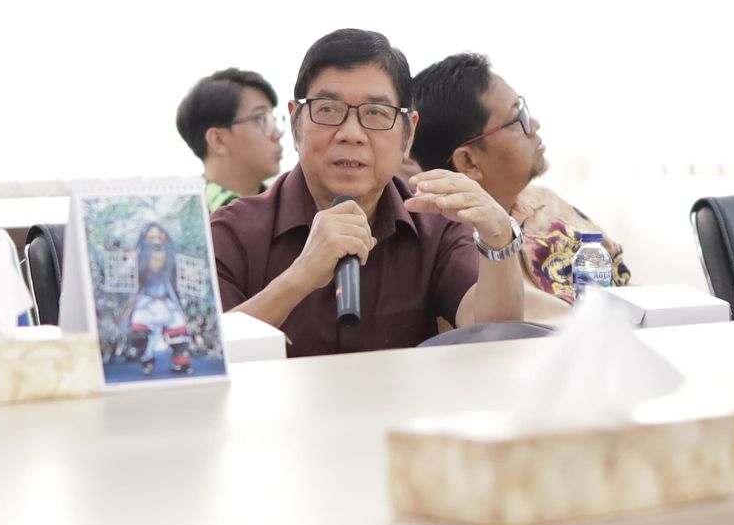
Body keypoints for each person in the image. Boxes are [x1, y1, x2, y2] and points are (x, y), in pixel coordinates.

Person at [210, 28, 524, 355]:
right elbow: (205, 357)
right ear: (295, 123)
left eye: (376, 113)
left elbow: (494, 333)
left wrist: (499, 235)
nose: (351, 133)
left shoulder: (436, 226)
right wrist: (300, 276)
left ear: (408, 134)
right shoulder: (232, 232)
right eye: (328, 109)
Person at [410, 52, 630, 319]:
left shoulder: (545, 202)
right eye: (518, 120)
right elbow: (517, 321)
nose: (534, 125)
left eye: (524, 109)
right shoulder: (447, 246)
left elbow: (628, 288)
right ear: (468, 161)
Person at [174, 68, 285, 211]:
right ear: (218, 140)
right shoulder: (180, 217)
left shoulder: (292, 207)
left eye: (273, 119)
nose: (278, 134)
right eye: (261, 118)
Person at [119, 221, 192, 375]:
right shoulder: (137, 258)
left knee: (178, 329)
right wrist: (131, 262)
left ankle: (180, 362)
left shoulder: (172, 258)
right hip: (146, 303)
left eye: (160, 238)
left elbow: (186, 273)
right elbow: (123, 274)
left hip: (167, 302)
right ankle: (147, 359)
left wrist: (189, 274)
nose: (157, 242)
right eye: (152, 238)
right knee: (143, 335)